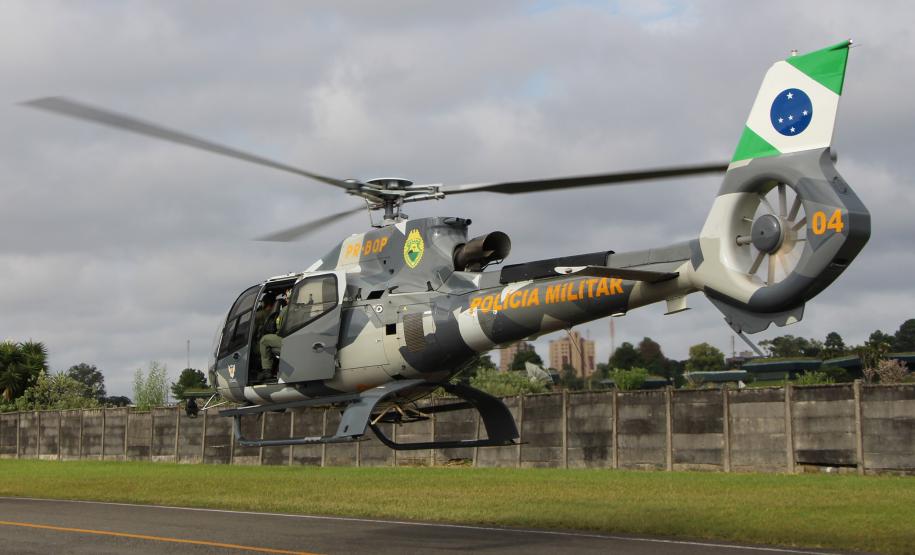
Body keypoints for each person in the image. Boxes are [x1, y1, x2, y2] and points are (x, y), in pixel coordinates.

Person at [258, 290, 290, 376]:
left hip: (288, 340)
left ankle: (267, 370)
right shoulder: (305, 308)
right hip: (300, 338)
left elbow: (279, 329)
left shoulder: (285, 310)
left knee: (264, 340)